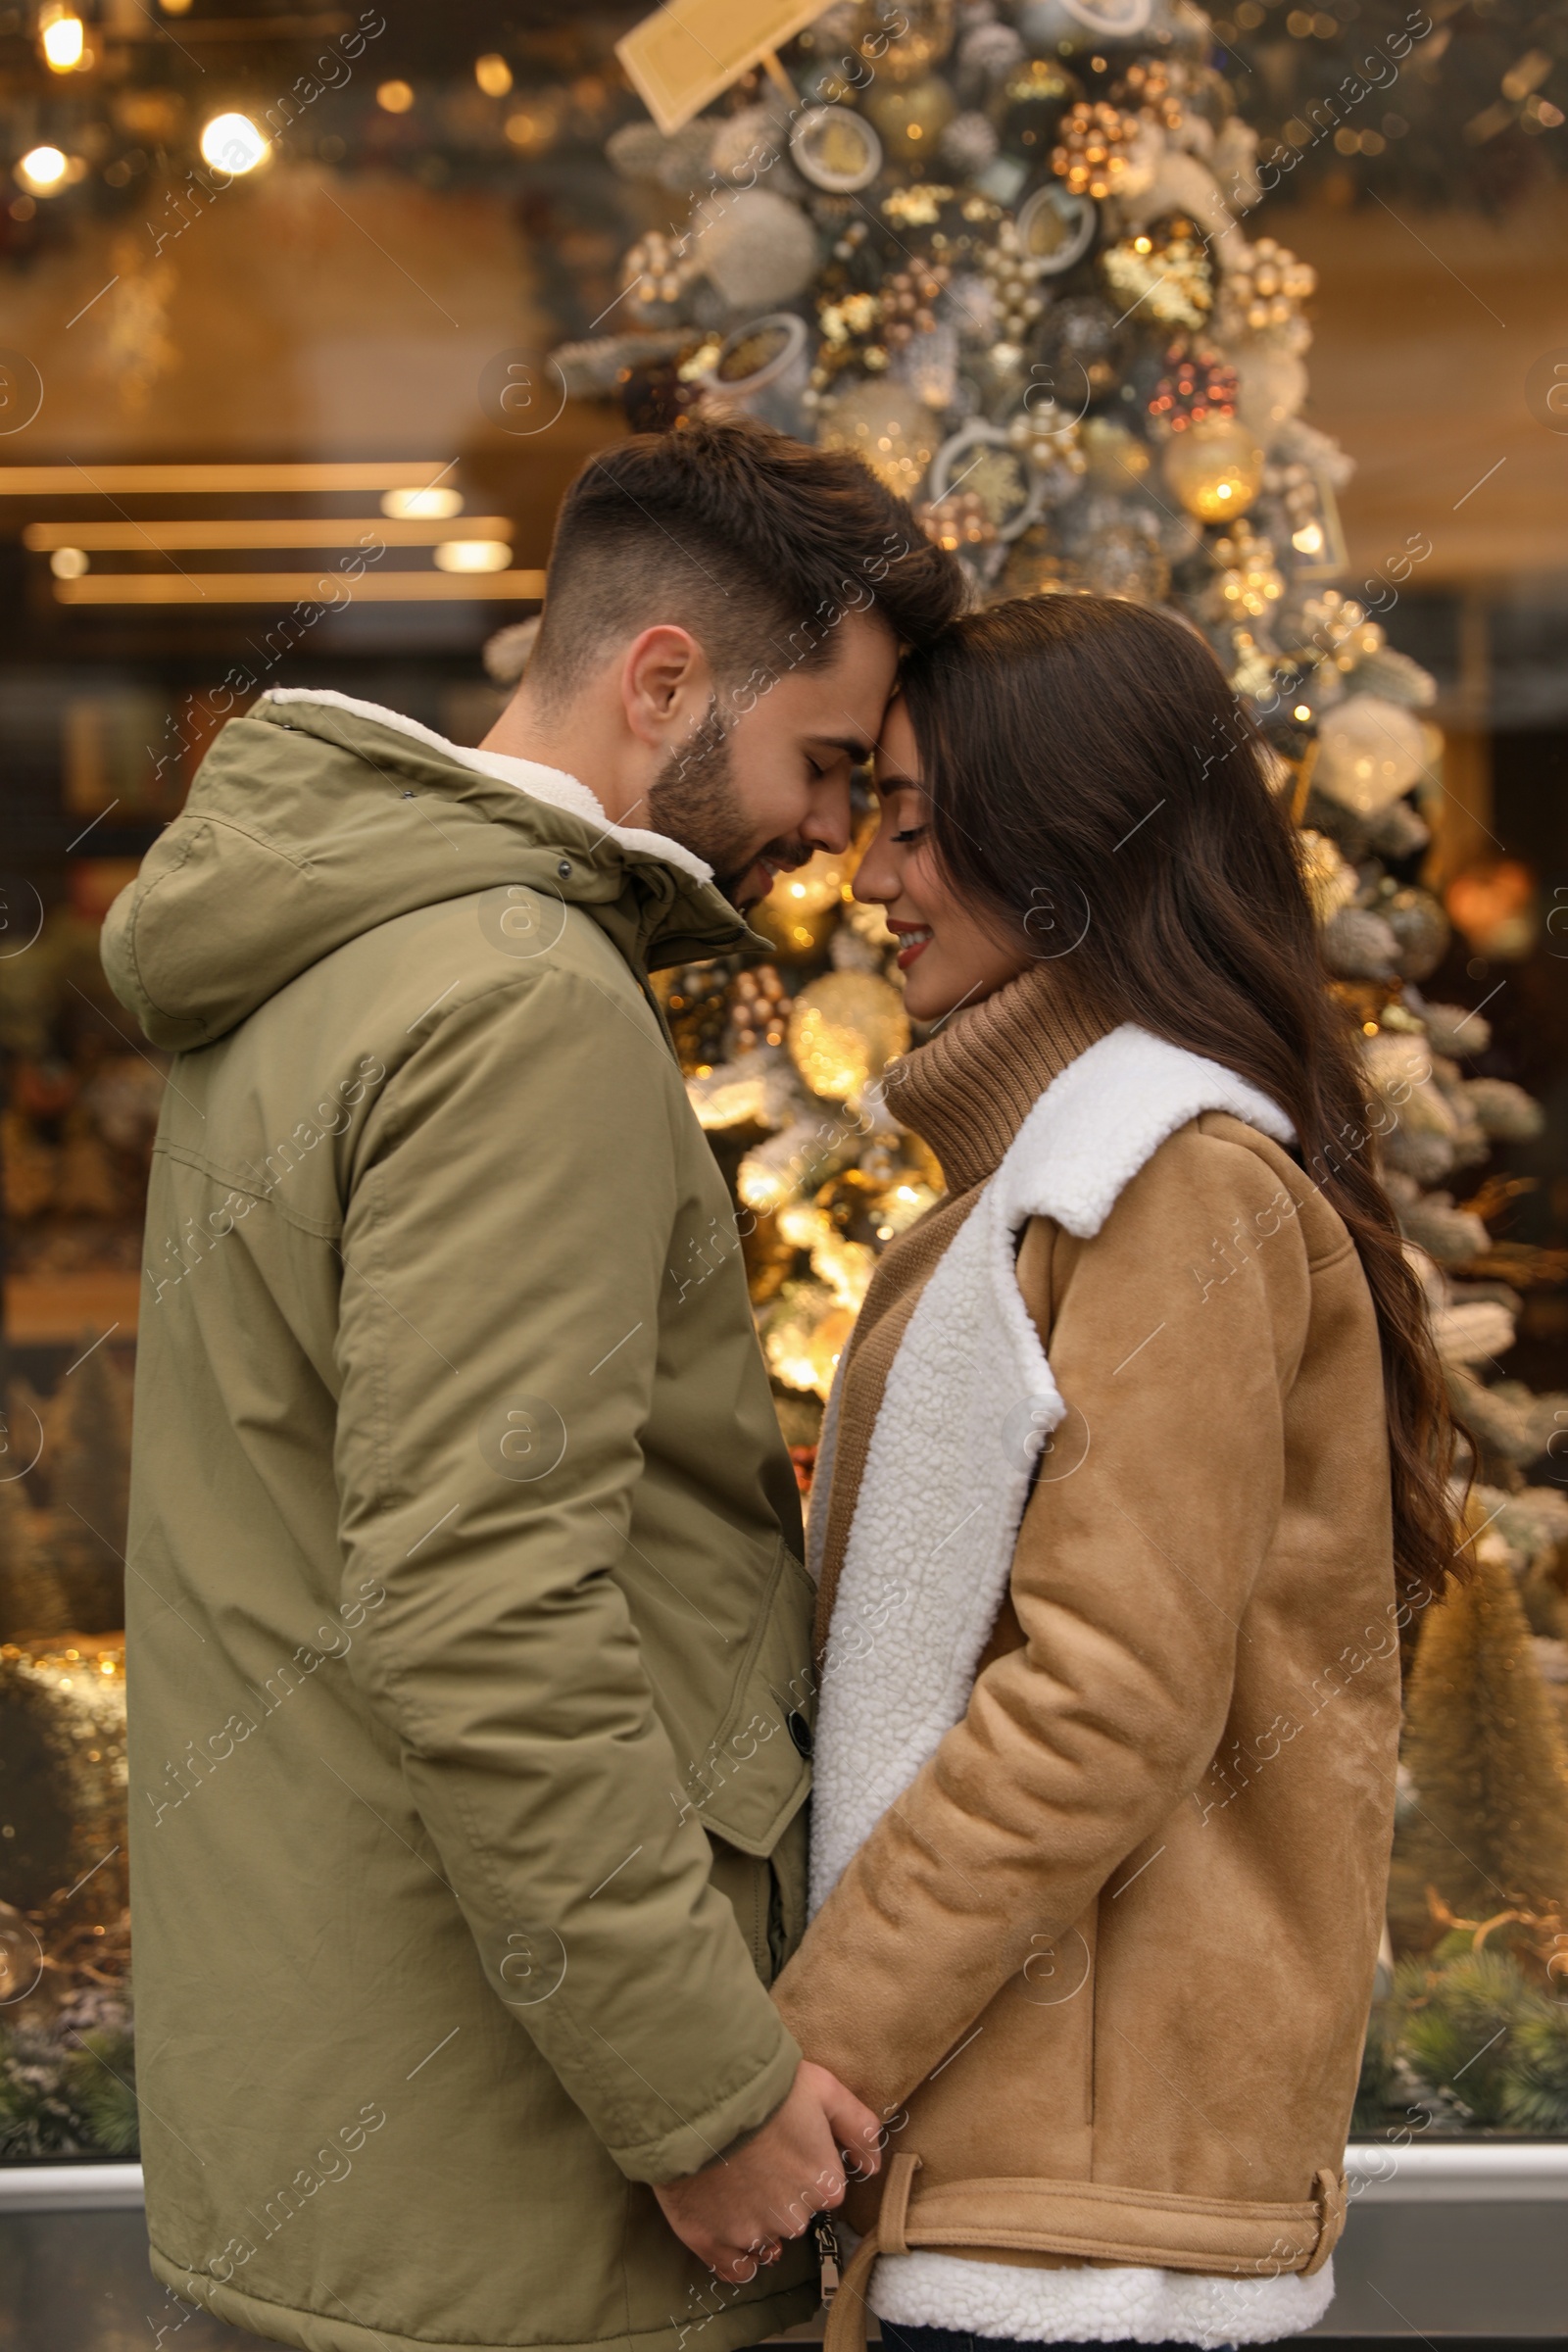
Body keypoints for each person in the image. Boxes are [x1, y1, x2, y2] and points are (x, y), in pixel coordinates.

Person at [105, 417, 962, 2352]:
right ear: (662, 677)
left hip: (357, 2134)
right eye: (825, 763)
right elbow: (487, 1611)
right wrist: (705, 2102)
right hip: (515, 2201)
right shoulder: (517, 1001)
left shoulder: (329, 960)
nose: (834, 838)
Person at [771, 594, 1463, 2352]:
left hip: (1081, 2234)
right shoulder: (1050, 1194)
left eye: (917, 827)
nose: (869, 881)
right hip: (1027, 2190)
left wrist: (799, 2058)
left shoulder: (1167, 1184)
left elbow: (1102, 1698)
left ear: (1068, 844)